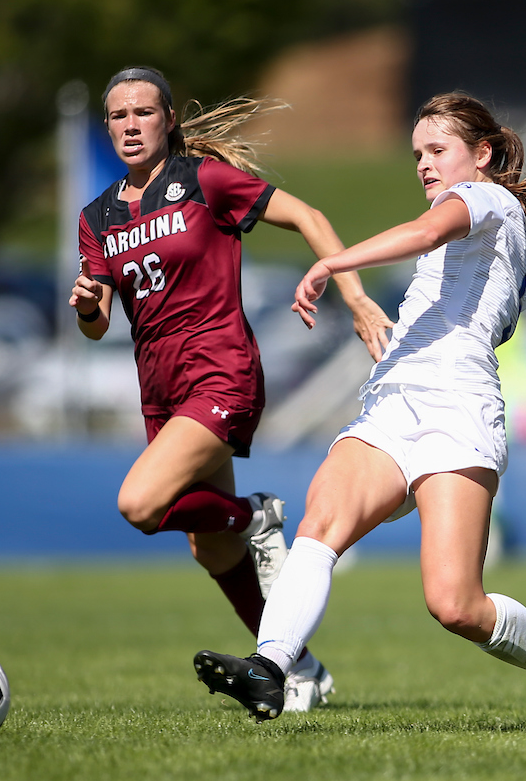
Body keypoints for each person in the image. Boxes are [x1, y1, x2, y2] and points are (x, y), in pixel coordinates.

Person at [191, 92, 526, 725]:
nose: (423, 164)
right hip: (391, 400)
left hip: (460, 411)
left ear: (483, 155)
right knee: (319, 526)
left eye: (438, 150)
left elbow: (426, 231)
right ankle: (271, 669)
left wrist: (334, 259)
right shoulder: (505, 243)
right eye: (417, 153)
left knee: (456, 604)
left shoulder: (486, 200)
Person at [70, 66, 393, 712]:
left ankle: (255, 515)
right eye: (117, 116)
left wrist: (354, 296)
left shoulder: (204, 181)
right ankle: (296, 670)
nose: (130, 125)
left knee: (140, 505)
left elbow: (309, 215)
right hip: (160, 391)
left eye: (143, 112)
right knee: (208, 544)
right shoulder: (98, 215)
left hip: (220, 372)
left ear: (167, 120)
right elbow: (98, 323)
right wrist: (85, 306)